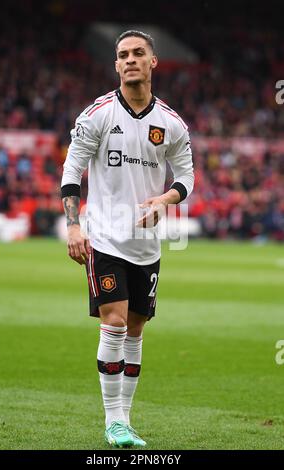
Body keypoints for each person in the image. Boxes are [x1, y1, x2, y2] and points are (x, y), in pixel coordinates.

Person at [61, 30, 194, 448]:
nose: (130, 59)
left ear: (154, 62)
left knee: (136, 329)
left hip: (146, 245)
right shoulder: (97, 114)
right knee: (114, 322)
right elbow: (71, 172)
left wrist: (167, 199)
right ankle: (114, 420)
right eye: (123, 55)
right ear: (116, 65)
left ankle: (126, 420)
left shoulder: (171, 124)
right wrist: (73, 225)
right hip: (104, 238)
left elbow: (186, 175)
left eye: (139, 53)